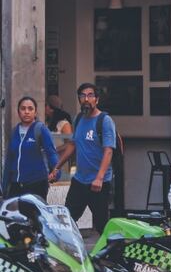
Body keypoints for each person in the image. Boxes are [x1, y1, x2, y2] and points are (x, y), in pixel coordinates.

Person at [50, 83, 117, 232]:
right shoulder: (79, 119)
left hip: (98, 184)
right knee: (67, 221)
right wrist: (56, 167)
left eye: (90, 95)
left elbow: (108, 151)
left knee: (102, 226)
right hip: (79, 181)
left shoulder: (105, 121)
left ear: (96, 100)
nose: (86, 99)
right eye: (82, 96)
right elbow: (73, 145)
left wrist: (99, 178)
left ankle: (110, 254)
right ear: (79, 100)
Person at [4, 96, 59, 199]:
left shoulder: (41, 130)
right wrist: (4, 186)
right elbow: (9, 161)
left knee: (32, 215)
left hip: (36, 184)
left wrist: (56, 172)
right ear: (18, 111)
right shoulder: (14, 132)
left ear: (35, 112)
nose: (26, 112)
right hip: (15, 186)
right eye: (23, 108)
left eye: (30, 108)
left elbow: (51, 154)